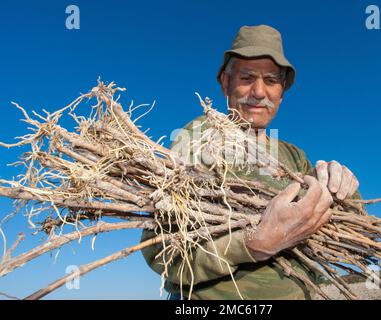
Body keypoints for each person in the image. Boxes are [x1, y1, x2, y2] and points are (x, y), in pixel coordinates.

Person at [141, 25, 359, 300]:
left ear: (282, 91)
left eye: (270, 80)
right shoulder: (200, 137)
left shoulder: (294, 156)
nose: (258, 92)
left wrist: (345, 190)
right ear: (225, 83)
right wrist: (251, 245)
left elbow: (348, 227)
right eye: (246, 78)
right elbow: (159, 250)